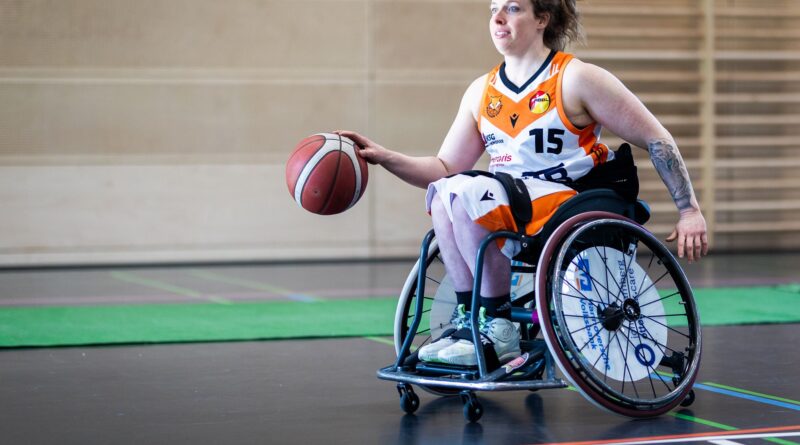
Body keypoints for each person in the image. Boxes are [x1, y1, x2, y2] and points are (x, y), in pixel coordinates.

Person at [338, 0, 708, 367]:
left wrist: (689, 210)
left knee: (466, 192)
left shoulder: (576, 78)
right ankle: (472, 319)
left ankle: (498, 326)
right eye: (493, 9)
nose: (497, 18)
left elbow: (657, 139)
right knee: (443, 193)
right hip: (510, 202)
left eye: (512, 8)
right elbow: (444, 167)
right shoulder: (480, 92)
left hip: (570, 202)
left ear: (542, 19)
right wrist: (385, 156)